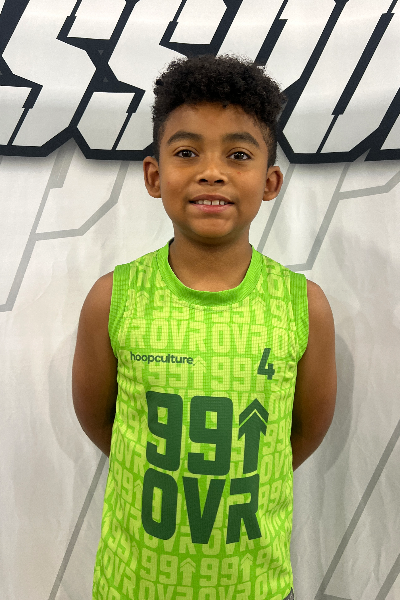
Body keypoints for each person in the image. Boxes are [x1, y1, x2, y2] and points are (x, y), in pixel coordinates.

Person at [72, 55, 336, 600]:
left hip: (255, 587)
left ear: (269, 181)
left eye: (238, 154)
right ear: (154, 175)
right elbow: (103, 423)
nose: (211, 171)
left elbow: (302, 433)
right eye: (187, 152)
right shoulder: (113, 299)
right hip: (133, 586)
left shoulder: (303, 306)